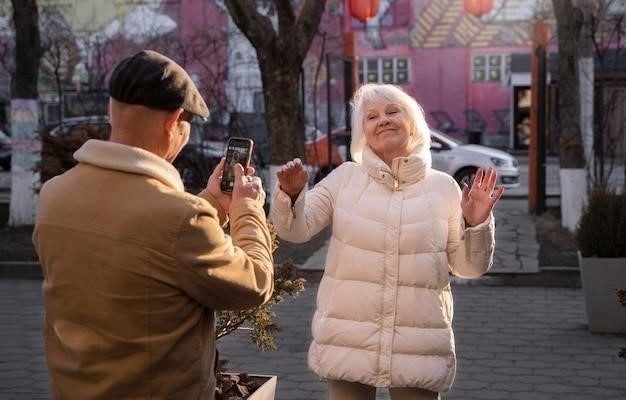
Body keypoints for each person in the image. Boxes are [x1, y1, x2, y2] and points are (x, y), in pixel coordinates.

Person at [33, 50, 274, 399]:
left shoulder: (54, 196)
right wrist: (247, 208)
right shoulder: (181, 218)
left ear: (110, 111)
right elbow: (254, 283)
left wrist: (209, 203)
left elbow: (143, 245)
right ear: (174, 121)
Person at [270, 83, 503, 400]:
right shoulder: (344, 179)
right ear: (362, 132)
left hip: (418, 343)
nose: (383, 120)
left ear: (413, 123)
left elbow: (469, 268)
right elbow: (295, 231)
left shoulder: (443, 188)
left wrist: (476, 223)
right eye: (372, 117)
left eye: (393, 112)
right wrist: (292, 194)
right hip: (348, 336)